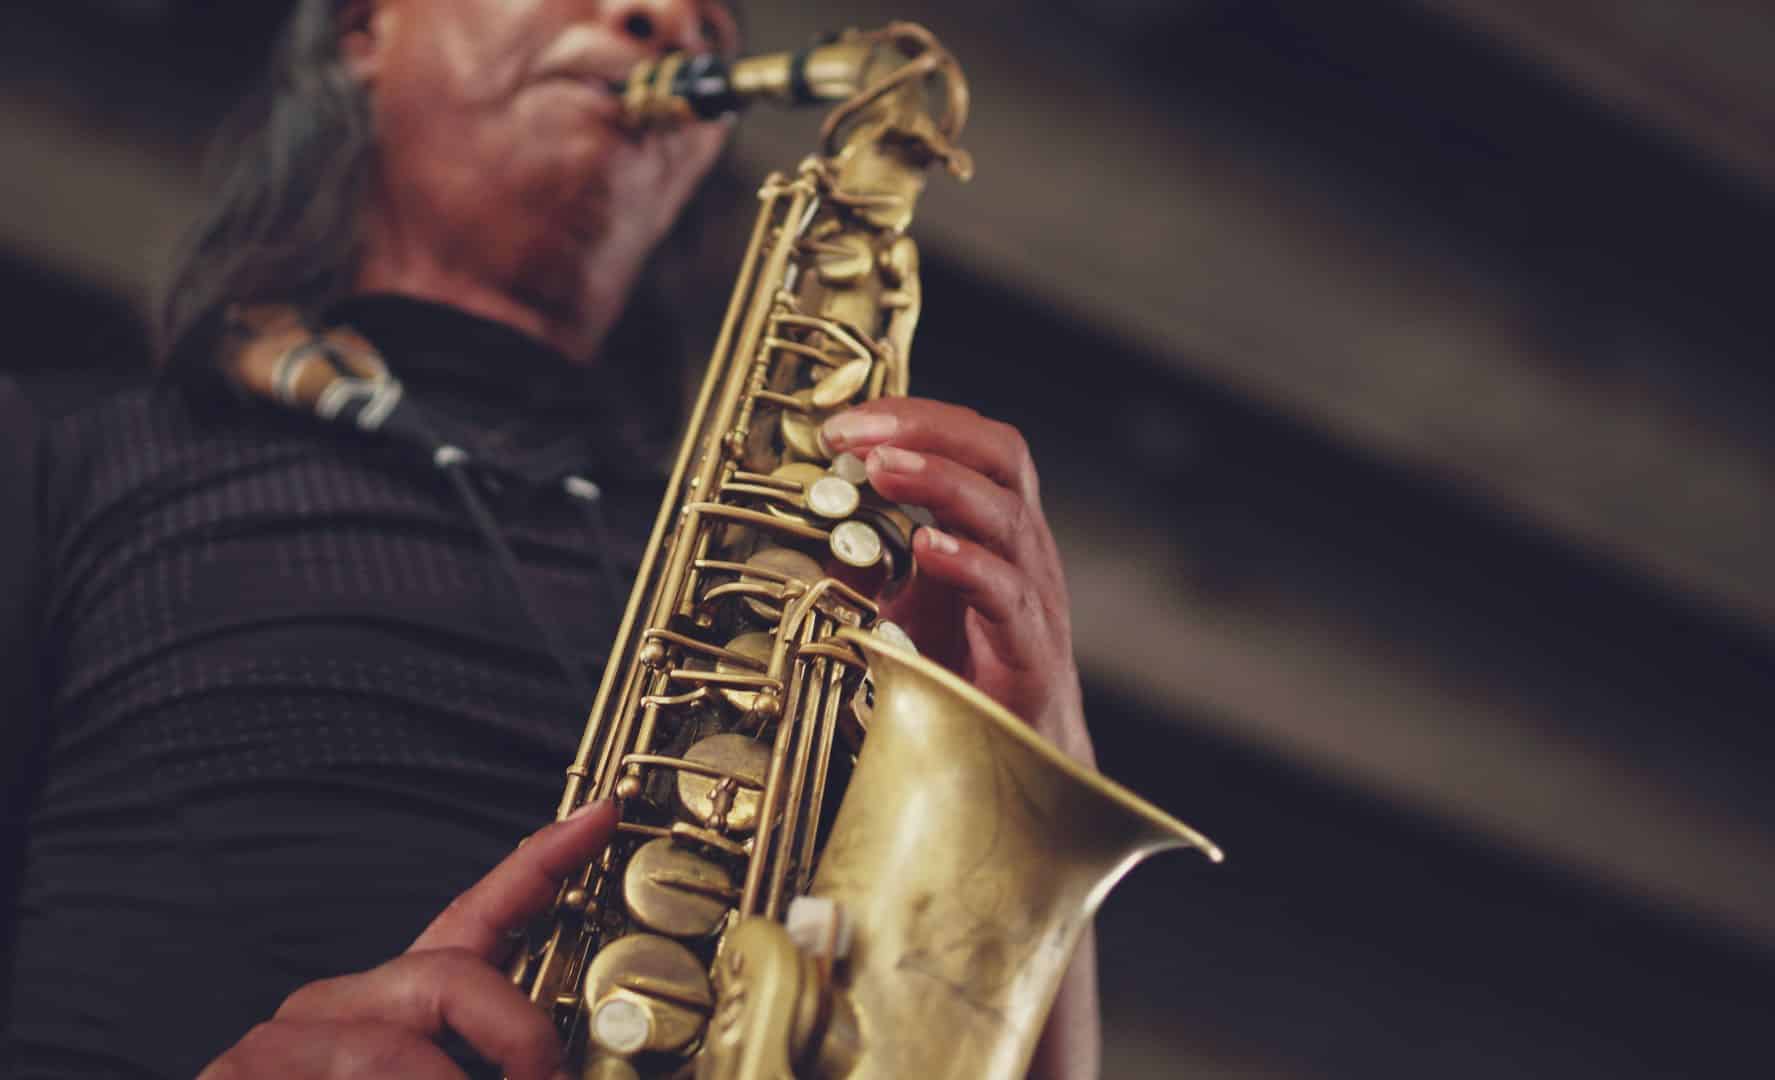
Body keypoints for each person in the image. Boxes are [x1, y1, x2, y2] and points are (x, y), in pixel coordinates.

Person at [0, 1, 1097, 1078]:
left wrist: (1031, 748)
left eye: (714, 22)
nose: (667, 19)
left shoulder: (787, 591)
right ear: (362, 29)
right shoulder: (56, 453)